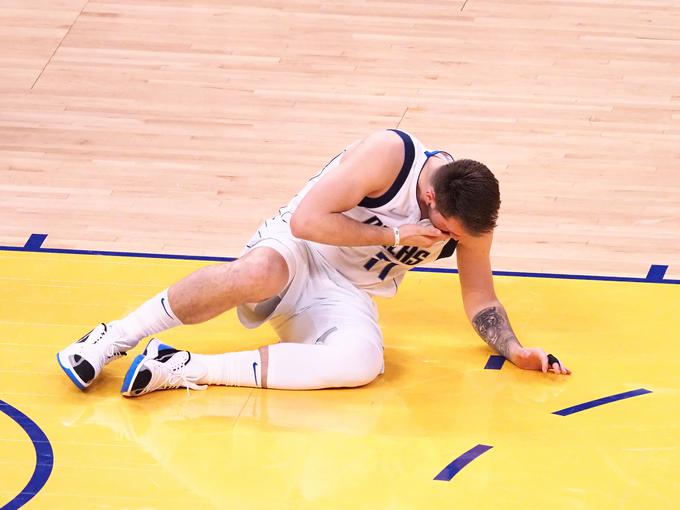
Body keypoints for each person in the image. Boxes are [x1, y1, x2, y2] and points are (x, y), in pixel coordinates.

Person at [56, 129, 570, 397]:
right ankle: (111, 338)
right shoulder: (389, 155)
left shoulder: (470, 215)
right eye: (447, 230)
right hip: (297, 248)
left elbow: (479, 295)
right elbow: (305, 220)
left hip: (344, 291)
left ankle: (180, 368)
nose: (450, 241)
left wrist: (515, 348)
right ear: (431, 197)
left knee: (363, 364)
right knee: (257, 273)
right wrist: (394, 232)